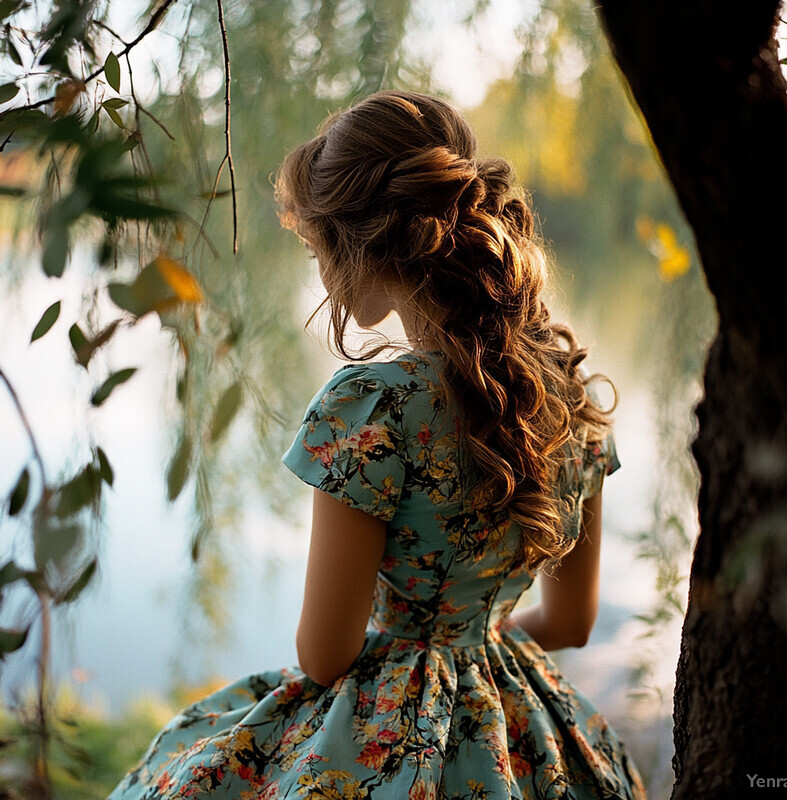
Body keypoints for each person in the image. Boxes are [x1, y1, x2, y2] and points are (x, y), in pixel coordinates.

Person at [109, 90, 647, 799]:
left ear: (356, 243)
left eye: (317, 247)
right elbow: (574, 623)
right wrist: (471, 653)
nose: (320, 271)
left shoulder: (374, 407)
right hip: (519, 717)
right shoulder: (571, 397)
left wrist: (418, 664)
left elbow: (326, 652)